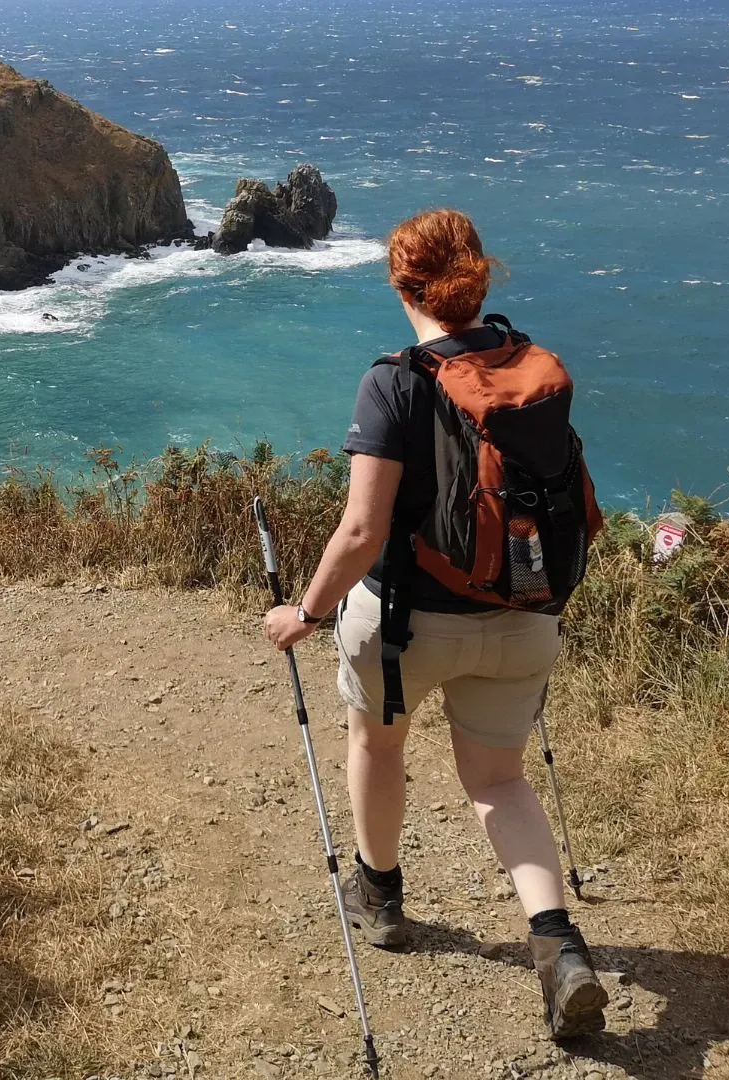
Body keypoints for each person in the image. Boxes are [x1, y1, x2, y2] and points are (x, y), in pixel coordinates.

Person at [260, 208, 607, 1040]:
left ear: (401, 283)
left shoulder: (394, 381)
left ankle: (379, 896)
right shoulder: (532, 369)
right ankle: (558, 947)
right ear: (480, 278)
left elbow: (360, 530)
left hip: (406, 624)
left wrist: (303, 613)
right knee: (498, 783)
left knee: (379, 745)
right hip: (523, 614)